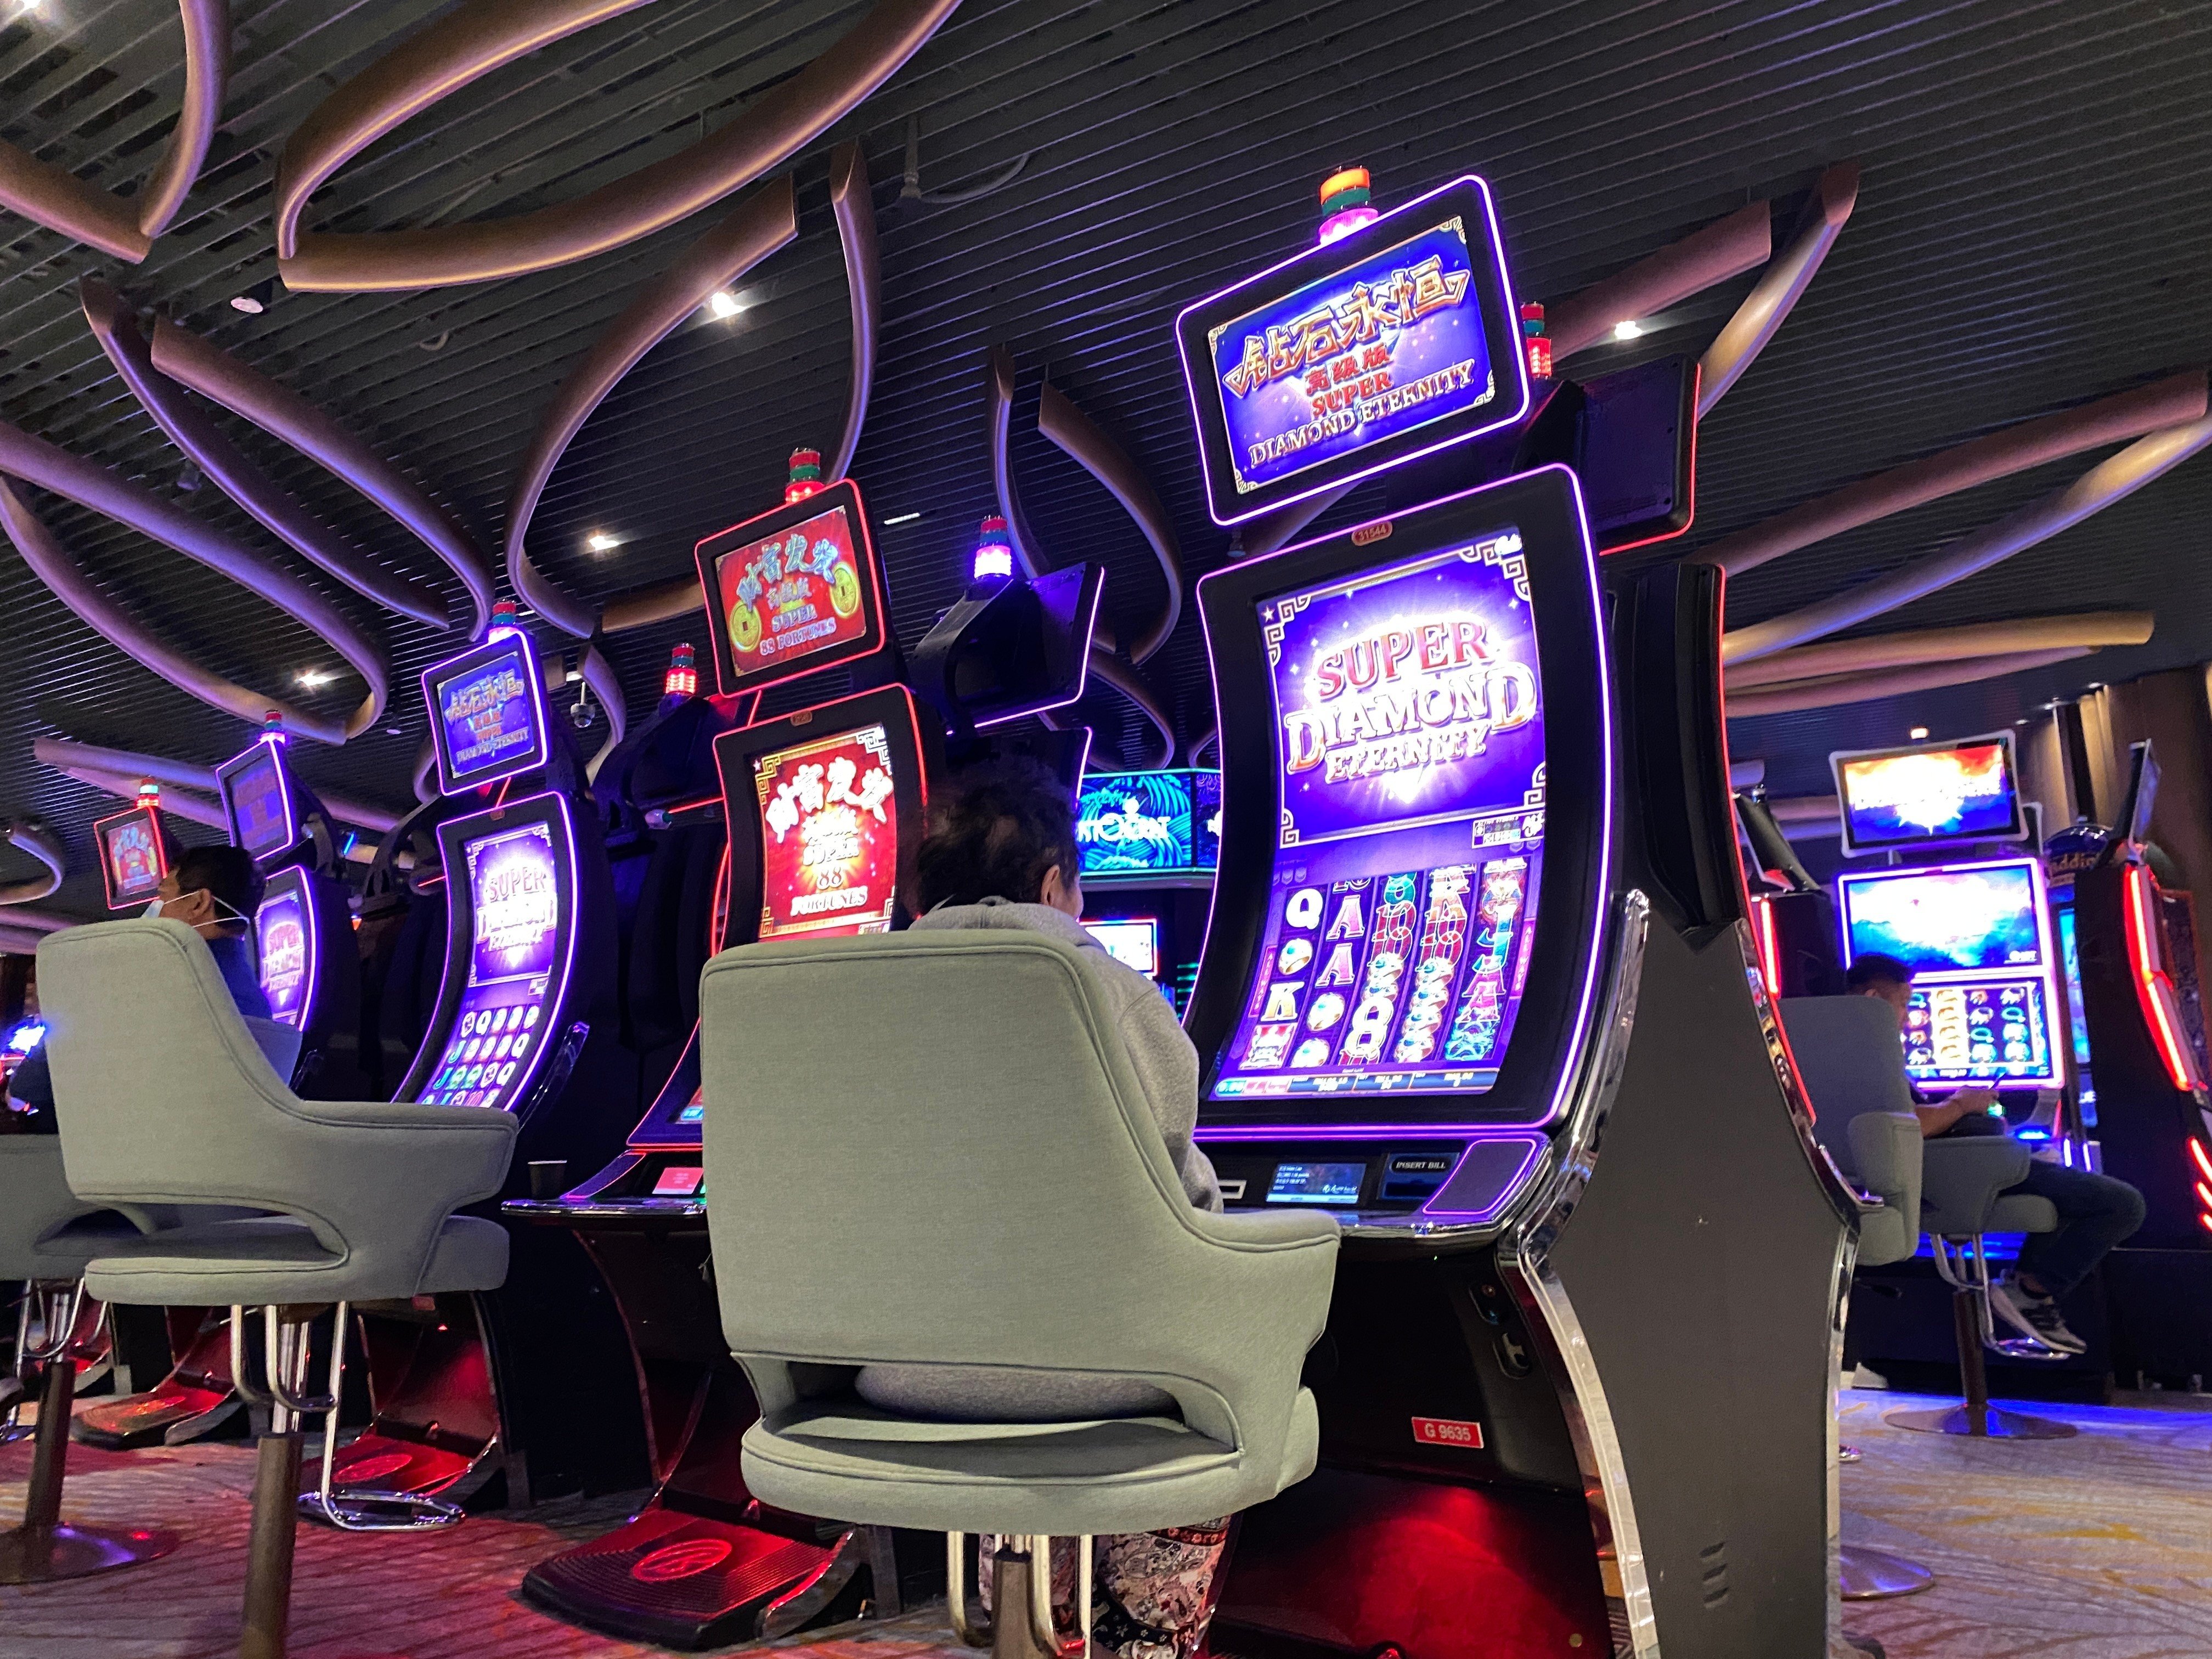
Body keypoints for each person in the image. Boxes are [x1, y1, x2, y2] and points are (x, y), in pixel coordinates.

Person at [854, 759, 1228, 1659]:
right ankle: (1140, 1629)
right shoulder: (1100, 986)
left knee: (1008, 1359)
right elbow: (1181, 1198)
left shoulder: (852, 993)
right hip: (1092, 1371)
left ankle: (1027, 1605)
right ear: (1054, 880)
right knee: (1218, 1340)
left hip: (899, 1373)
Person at [1846, 951, 2145, 1353]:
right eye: (1904, 1004)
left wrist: (1972, 1117)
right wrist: (1961, 1106)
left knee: (2065, 1189)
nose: (1908, 1017)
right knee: (2124, 1204)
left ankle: (2027, 1287)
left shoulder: (1838, 1048)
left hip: (1954, 1165)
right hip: (1952, 1174)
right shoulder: (1870, 1057)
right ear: (1874, 1000)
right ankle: (2031, 1290)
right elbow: (1904, 1124)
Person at [1, 845, 269, 1135]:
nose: (156, 910)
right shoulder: (257, 1003)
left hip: (118, 1157)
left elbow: (27, 1087)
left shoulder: (140, 984)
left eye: (162, 898)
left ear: (198, 904)